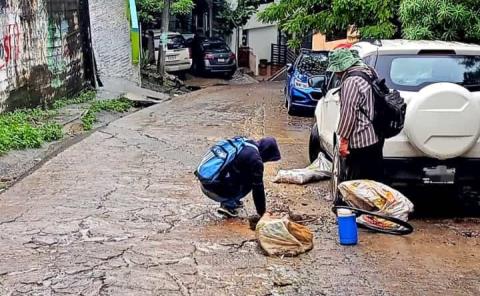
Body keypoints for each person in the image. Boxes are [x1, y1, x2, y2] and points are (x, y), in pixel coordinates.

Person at [327, 49, 384, 181]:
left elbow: (349, 113)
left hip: (361, 141)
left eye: (336, 69)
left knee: (358, 185)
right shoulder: (368, 72)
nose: (336, 73)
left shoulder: (351, 81)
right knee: (374, 182)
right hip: (375, 137)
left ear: (342, 67)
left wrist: (344, 141)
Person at [201, 137, 281, 218]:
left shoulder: (243, 142)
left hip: (205, 182)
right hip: (213, 190)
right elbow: (258, 189)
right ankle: (229, 205)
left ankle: (232, 199)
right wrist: (262, 213)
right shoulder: (256, 160)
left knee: (242, 172)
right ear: (266, 153)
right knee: (252, 181)